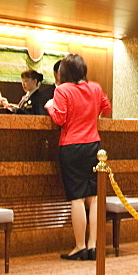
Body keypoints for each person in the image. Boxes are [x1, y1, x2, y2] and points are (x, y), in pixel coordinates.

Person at [45, 54, 110, 261]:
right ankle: (94, 245)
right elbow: (106, 109)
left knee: (77, 198)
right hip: (93, 146)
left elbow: (60, 118)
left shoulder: (62, 90)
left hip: (71, 146)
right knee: (94, 196)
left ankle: (80, 246)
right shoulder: (96, 88)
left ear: (64, 72)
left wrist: (49, 107)